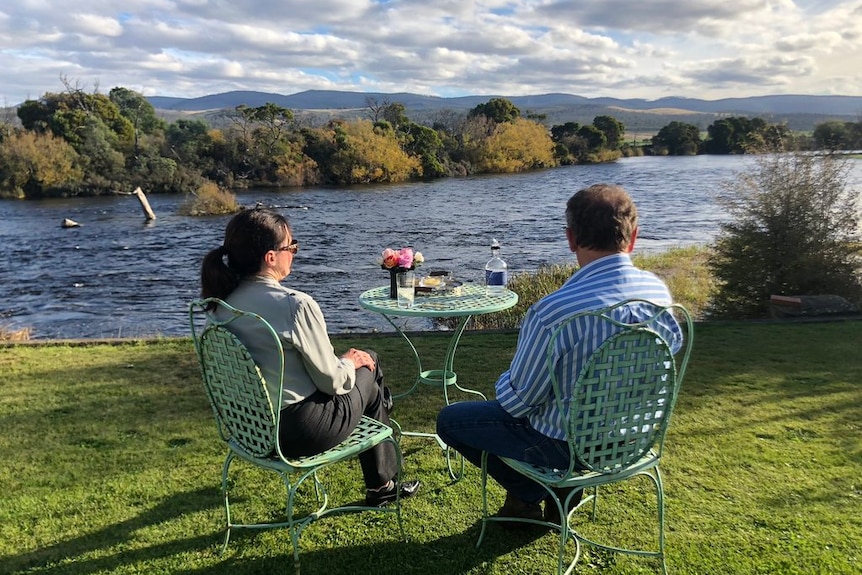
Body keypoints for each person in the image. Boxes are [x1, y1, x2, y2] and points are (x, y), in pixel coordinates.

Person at [436, 184, 683, 524]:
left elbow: (517, 403)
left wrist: (507, 380)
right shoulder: (657, 292)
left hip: (567, 449)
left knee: (451, 421)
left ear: (570, 238)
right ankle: (555, 496)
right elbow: (668, 354)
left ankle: (530, 493)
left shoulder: (553, 312)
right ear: (634, 237)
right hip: (632, 441)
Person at [200, 208, 420, 507]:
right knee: (369, 362)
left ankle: (378, 410)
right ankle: (383, 482)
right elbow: (333, 383)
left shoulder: (218, 304)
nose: (294, 252)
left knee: (364, 374)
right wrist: (351, 361)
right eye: (291, 247)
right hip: (297, 433)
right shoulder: (294, 305)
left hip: (248, 428)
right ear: (270, 257)